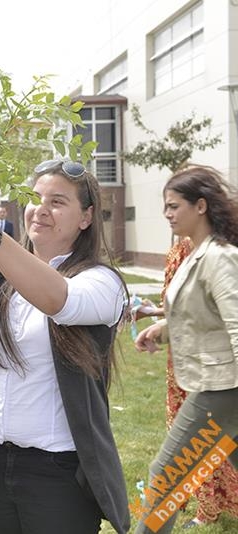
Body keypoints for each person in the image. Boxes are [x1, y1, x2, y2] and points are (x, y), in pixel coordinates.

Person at [0, 153, 130, 534]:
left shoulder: (103, 283)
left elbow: (58, 300)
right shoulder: (0, 270)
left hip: (59, 476)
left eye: (58, 202)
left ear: (86, 217)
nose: (42, 210)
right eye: (36, 198)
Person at [134, 165, 238, 534]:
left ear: (201, 206)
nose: (167, 214)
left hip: (221, 388)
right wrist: (162, 330)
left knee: (165, 477)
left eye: (174, 205)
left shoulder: (219, 258)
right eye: (165, 206)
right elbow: (199, 311)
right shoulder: (197, 254)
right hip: (218, 385)